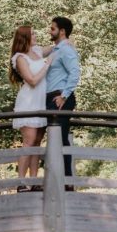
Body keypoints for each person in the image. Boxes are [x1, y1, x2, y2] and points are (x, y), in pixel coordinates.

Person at [9, 25, 53, 191]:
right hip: (29, 102)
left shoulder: (37, 51)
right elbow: (32, 80)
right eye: (32, 33)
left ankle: (34, 181)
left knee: (37, 142)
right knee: (28, 142)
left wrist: (67, 38)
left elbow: (55, 47)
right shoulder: (20, 58)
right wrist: (47, 65)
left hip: (42, 102)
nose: (36, 35)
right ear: (25, 37)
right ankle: (20, 183)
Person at [45, 16, 81, 183]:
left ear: (62, 31)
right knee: (54, 139)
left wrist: (64, 96)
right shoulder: (57, 49)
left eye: (52, 28)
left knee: (61, 138)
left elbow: (75, 73)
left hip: (60, 98)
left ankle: (66, 181)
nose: (49, 31)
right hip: (51, 98)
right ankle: (56, 179)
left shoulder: (66, 50)